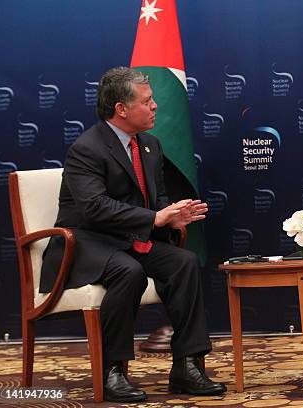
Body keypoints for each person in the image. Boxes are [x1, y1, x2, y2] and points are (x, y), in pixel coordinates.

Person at [40, 67, 226, 402]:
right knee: (129, 271)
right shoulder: (87, 148)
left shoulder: (150, 145)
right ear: (121, 109)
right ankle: (113, 370)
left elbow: (155, 199)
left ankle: (188, 365)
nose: (155, 106)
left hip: (128, 238)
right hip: (85, 242)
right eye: (147, 101)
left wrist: (172, 217)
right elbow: (93, 208)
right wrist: (155, 217)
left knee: (183, 262)